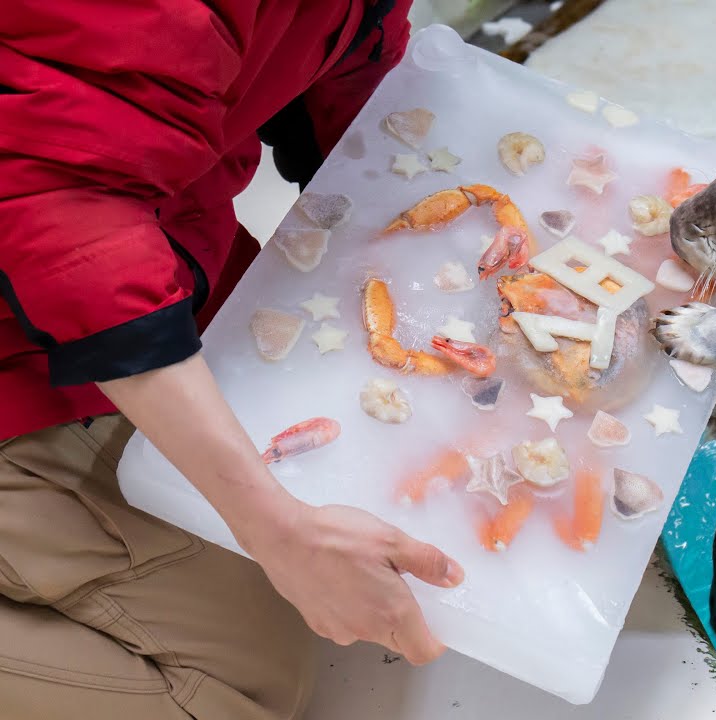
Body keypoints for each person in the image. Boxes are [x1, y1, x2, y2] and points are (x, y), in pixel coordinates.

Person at [0, 2, 466, 718]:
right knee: (230, 692)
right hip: (34, 344)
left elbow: (343, 51)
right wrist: (276, 530)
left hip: (173, 272)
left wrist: (434, 214)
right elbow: (60, 213)